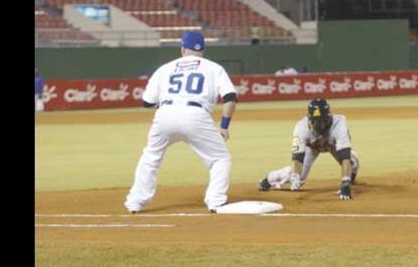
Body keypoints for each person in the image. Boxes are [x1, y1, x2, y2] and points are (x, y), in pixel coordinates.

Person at [125, 31, 238, 213]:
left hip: (165, 113)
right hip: (196, 114)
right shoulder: (214, 68)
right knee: (220, 158)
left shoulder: (165, 68)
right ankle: (215, 201)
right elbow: (230, 98)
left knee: (150, 157)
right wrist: (224, 126)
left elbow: (147, 102)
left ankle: (135, 202)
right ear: (203, 49)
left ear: (183, 48)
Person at [258, 98, 360, 200]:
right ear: (309, 118)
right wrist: (295, 176)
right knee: (300, 177)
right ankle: (269, 179)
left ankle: (350, 178)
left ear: (329, 118)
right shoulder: (301, 128)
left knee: (352, 163)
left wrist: (345, 184)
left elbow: (345, 158)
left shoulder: (339, 124)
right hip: (312, 147)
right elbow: (297, 158)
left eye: (322, 121)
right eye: (315, 121)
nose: (318, 125)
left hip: (333, 145)